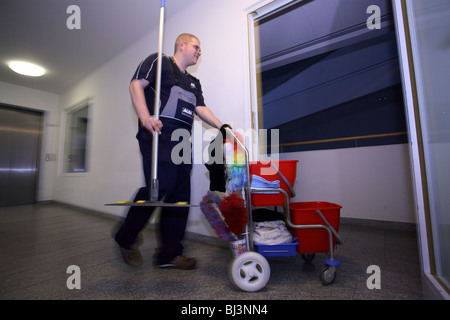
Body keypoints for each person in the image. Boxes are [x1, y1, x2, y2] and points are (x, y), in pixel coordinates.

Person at [114, 33, 232, 269]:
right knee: (160, 186)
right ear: (182, 45)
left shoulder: (194, 83)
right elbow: (135, 84)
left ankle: (169, 254)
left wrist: (224, 127)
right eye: (196, 47)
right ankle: (125, 238)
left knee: (180, 196)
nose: (199, 52)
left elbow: (200, 108)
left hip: (182, 142)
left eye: (200, 49)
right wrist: (145, 117)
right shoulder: (159, 63)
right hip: (158, 135)